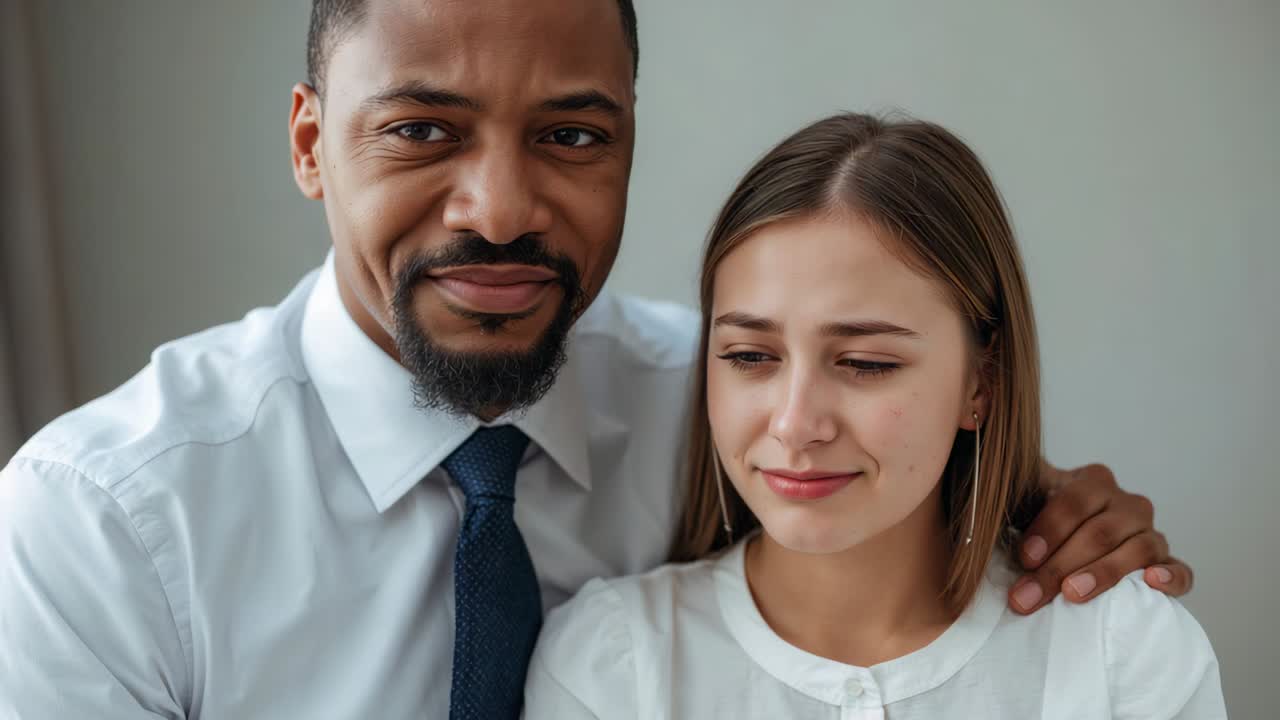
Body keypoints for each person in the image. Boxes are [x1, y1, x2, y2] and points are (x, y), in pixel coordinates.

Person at [0, 1, 1192, 718]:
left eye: (570, 135)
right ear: (312, 143)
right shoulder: (104, 523)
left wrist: (1056, 517)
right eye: (421, 131)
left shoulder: (732, 411)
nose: (503, 208)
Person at [524, 113, 1225, 719]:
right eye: (748, 356)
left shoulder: (1122, 652)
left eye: (865, 364)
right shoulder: (610, 663)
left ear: (981, 383)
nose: (795, 424)